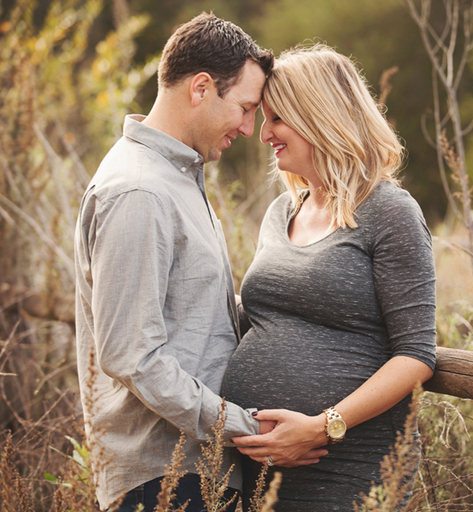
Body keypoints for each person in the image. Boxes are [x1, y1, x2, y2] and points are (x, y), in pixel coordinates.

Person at [74, 14, 323, 512]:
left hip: (197, 472)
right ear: (202, 88)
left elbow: (188, 315)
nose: (250, 128)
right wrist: (246, 428)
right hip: (166, 480)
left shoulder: (175, 177)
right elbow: (131, 356)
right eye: (246, 108)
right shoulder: (140, 190)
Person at [220, 44, 437, 511]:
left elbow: (416, 355)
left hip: (344, 465)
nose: (264, 134)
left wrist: (322, 425)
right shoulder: (282, 212)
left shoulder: (390, 212)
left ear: (318, 115)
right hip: (259, 468)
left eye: (277, 119)